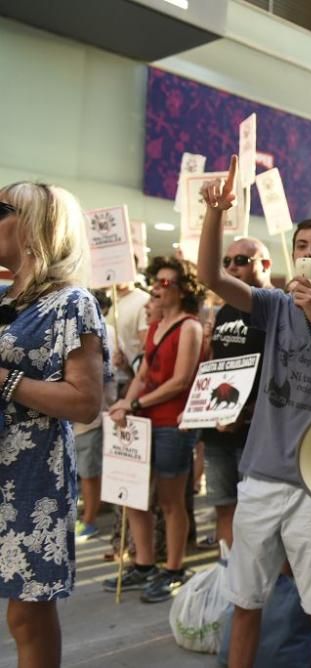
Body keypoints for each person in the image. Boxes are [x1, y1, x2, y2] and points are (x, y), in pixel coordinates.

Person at [197, 157, 311, 668]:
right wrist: (217, 213)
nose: (310, 255)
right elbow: (210, 274)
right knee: (246, 598)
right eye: (302, 247)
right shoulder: (274, 304)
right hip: (260, 476)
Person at [0, 182, 109, 668]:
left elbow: (86, 402)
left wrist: (6, 381)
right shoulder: (4, 296)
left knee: (27, 615)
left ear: (34, 227)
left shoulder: (71, 303)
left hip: (31, 477)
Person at [105, 256, 205, 603]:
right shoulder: (157, 325)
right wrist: (125, 404)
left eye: (167, 282)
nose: (159, 289)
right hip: (144, 420)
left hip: (172, 423)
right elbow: (143, 375)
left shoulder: (190, 327)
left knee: (170, 500)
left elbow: (180, 382)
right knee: (134, 494)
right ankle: (144, 563)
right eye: (157, 281)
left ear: (183, 289)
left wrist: (134, 404)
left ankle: (174, 568)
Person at [198, 237, 271, 551]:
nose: (231, 267)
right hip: (217, 428)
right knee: (224, 506)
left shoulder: (275, 308)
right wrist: (199, 407)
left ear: (264, 264)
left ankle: (252, 585)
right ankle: (227, 578)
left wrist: (247, 413)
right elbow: (215, 365)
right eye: (227, 261)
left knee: (254, 513)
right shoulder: (224, 311)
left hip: (255, 432)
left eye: (241, 260)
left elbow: (280, 373)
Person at [73, 290, 118, 542]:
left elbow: (103, 373)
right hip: (82, 417)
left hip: (92, 415)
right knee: (85, 470)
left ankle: (90, 520)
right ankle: (88, 514)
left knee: (90, 472)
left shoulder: (103, 331)